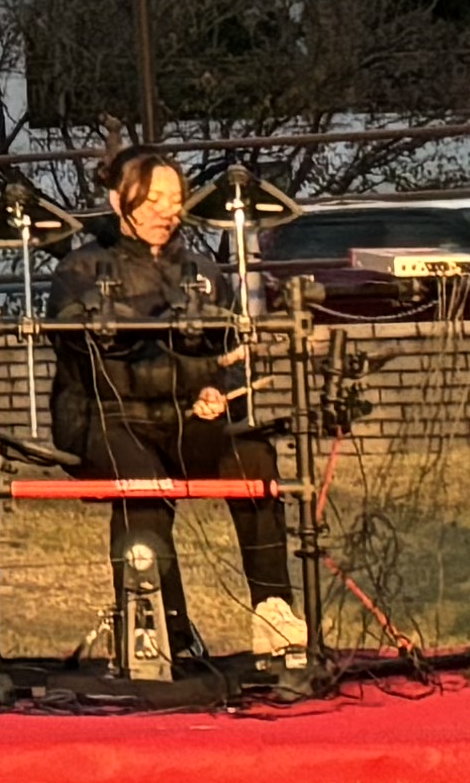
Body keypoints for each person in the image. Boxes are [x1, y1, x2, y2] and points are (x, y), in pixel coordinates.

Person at [53, 149, 303, 664]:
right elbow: (77, 352)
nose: (167, 211)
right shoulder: (79, 269)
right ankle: (161, 629)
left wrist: (218, 389)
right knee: (144, 483)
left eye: (175, 199)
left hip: (184, 420)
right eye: (153, 199)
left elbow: (229, 354)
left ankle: (274, 613)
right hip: (106, 418)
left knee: (253, 456)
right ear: (118, 200)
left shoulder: (203, 271)